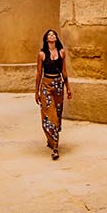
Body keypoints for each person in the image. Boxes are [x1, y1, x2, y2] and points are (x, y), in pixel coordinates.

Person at [35, 29, 72, 160]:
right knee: (49, 115)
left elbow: (64, 72)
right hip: (46, 85)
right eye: (49, 34)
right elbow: (39, 73)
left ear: (56, 38)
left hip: (58, 86)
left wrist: (68, 88)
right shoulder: (42, 54)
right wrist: (37, 91)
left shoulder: (62, 52)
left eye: (54, 34)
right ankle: (55, 148)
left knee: (57, 114)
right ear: (46, 39)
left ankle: (51, 140)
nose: (52, 36)